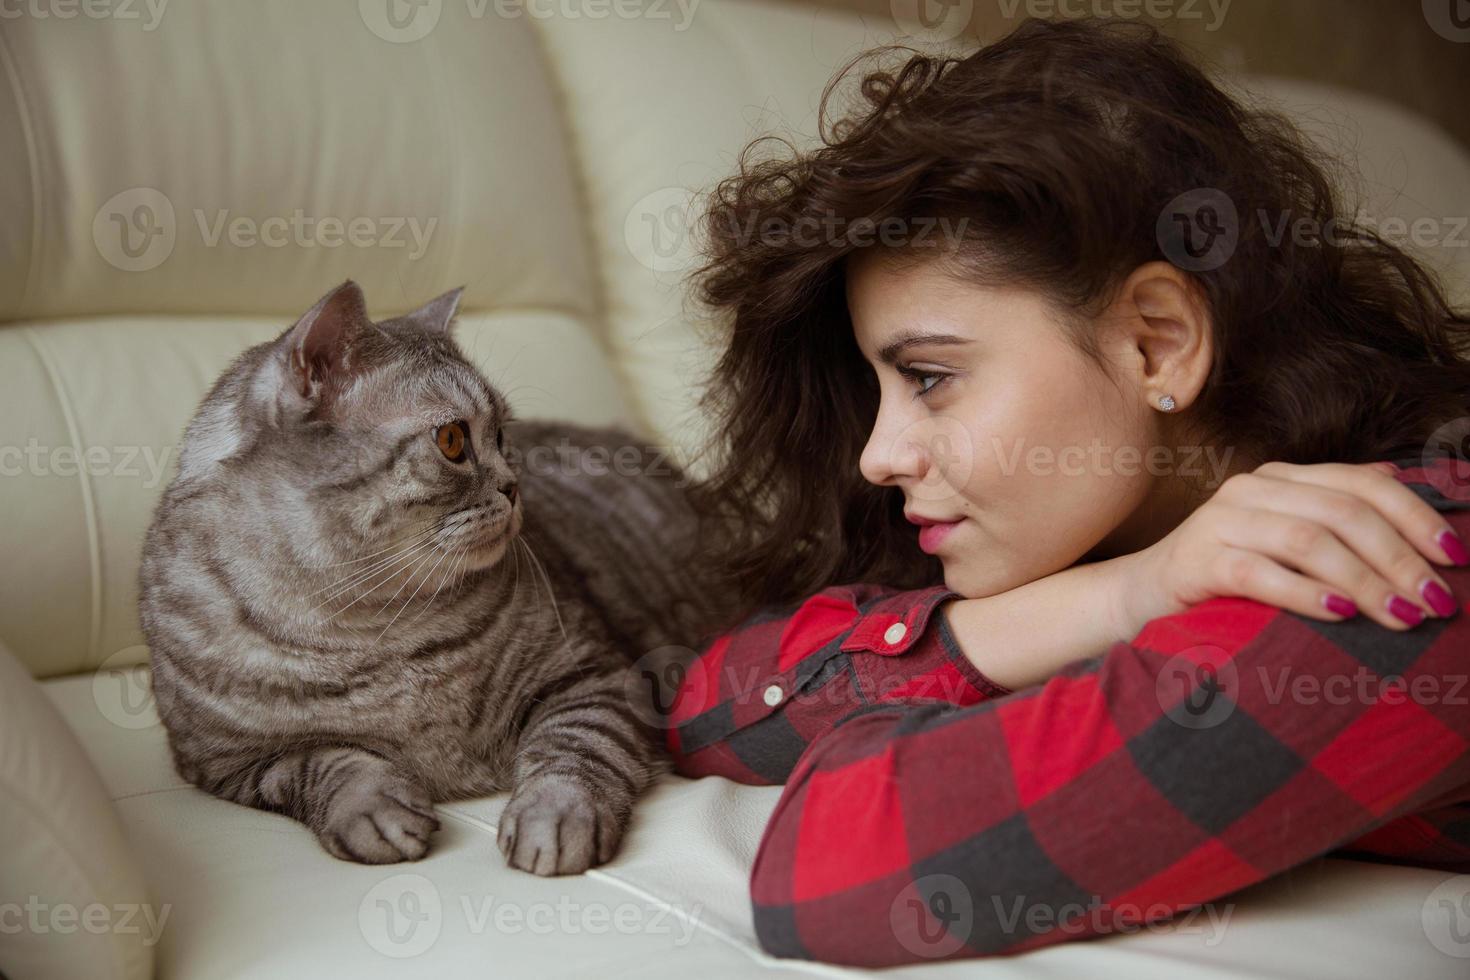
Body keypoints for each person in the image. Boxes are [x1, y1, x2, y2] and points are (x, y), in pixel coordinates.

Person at [668, 18, 1470, 967]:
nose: (876, 456)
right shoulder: (1109, 546)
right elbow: (715, 710)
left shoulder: (1397, 561)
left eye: (929, 376)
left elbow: (835, 873)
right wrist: (1121, 595)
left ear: (1154, 343)